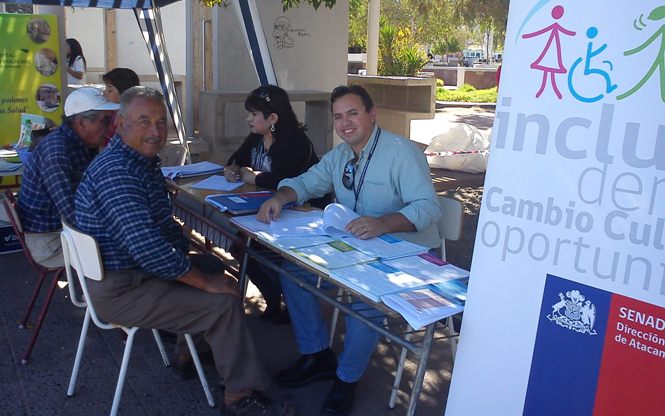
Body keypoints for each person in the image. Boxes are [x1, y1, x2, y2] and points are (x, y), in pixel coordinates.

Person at [75, 86, 294, 416]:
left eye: (161, 122)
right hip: (123, 288)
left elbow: (157, 234)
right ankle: (240, 396)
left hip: (128, 272)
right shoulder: (118, 172)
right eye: (144, 121)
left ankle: (187, 355)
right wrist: (204, 285)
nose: (155, 131)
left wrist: (194, 266)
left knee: (209, 263)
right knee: (222, 300)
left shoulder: (138, 161)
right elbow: (148, 249)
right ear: (120, 123)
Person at [257, 84, 442, 416]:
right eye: (338, 116)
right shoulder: (340, 155)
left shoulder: (402, 153)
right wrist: (281, 197)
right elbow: (306, 182)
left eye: (353, 113)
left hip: (404, 255)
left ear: (372, 114)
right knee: (294, 272)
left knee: (365, 299)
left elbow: (429, 208)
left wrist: (384, 223)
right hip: (355, 249)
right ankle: (317, 355)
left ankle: (346, 379)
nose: (345, 123)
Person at [224, 85, 324, 322]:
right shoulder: (256, 137)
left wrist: (253, 177)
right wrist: (233, 168)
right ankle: (272, 298)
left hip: (300, 214)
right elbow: (237, 158)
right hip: (265, 208)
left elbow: (283, 180)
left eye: (254, 114)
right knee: (239, 246)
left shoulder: (295, 141)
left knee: (258, 250)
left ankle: (293, 301)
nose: (248, 119)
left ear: (273, 118)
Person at [18, 87, 118, 267]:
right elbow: (72, 212)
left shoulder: (83, 144)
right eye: (105, 121)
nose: (109, 127)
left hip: (62, 230)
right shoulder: (56, 152)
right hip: (50, 242)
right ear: (81, 123)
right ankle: (119, 293)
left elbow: (98, 188)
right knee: (126, 249)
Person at [102, 67, 141, 144]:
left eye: (110, 90)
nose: (104, 93)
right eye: (105, 89)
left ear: (124, 93)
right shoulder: (112, 114)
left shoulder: (131, 122)